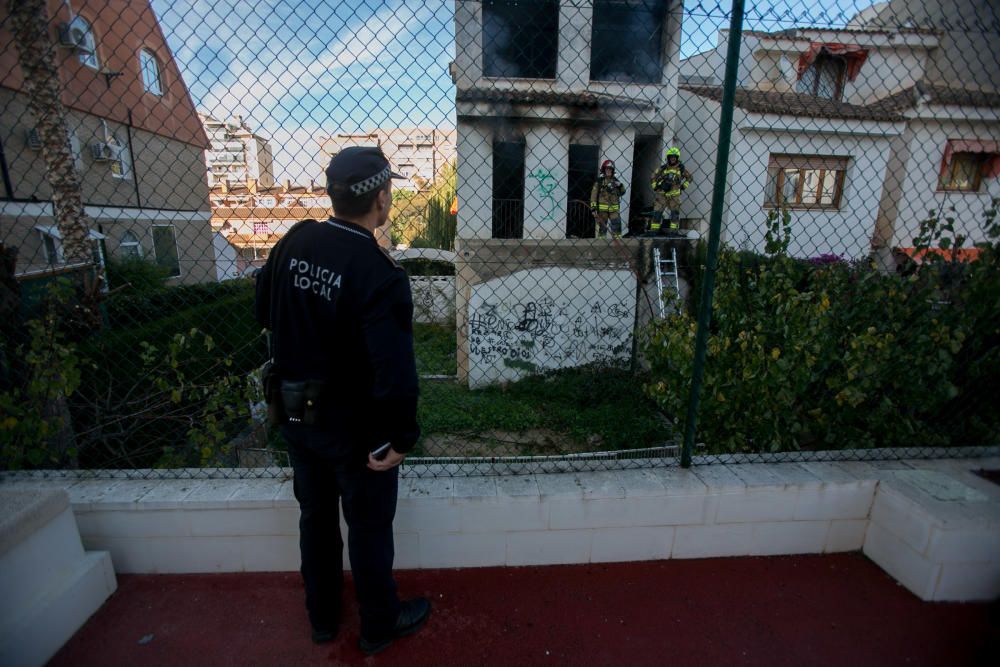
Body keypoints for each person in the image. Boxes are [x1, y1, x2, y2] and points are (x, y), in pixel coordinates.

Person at [254, 146, 430, 656]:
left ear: (333, 194)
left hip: (295, 412)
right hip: (355, 430)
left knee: (315, 517)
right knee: (369, 526)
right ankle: (378, 624)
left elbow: (263, 310)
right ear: (381, 198)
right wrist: (402, 436)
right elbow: (394, 370)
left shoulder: (295, 239)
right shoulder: (379, 272)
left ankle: (322, 617)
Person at [650, 146, 692, 234]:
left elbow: (690, 178)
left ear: (677, 158)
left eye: (674, 157)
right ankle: (654, 231)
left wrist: (683, 186)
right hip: (662, 195)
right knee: (657, 213)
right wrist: (655, 187)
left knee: (674, 215)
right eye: (671, 157)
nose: (672, 159)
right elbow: (653, 177)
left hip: (674, 196)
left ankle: (673, 232)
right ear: (668, 158)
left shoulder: (681, 169)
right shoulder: (663, 168)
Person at [590, 159, 627, 238]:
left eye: (610, 169)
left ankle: (617, 246)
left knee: (617, 229)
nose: (608, 171)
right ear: (604, 170)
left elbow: (623, 192)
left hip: (614, 211)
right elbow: (593, 196)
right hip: (602, 211)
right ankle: (601, 246)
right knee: (602, 229)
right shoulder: (599, 182)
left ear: (612, 170)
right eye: (607, 169)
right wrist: (593, 208)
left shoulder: (616, 181)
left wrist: (620, 185)